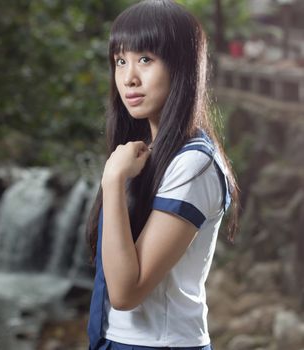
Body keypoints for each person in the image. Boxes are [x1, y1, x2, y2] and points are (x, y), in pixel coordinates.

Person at [85, 1, 240, 350]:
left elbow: (126, 292)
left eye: (146, 59)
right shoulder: (147, 153)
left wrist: (112, 182)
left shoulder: (193, 165)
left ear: (181, 67)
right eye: (120, 61)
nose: (129, 77)